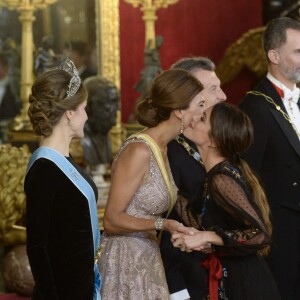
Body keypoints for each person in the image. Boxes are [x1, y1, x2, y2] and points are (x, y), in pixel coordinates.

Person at [98, 69, 204, 299]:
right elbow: (112, 219)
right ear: (179, 111)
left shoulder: (166, 148)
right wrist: (163, 224)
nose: (203, 113)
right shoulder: (139, 151)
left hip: (148, 256)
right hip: (125, 261)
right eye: (200, 105)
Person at [172, 102, 281, 300]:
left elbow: (260, 234)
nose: (195, 118)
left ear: (214, 140)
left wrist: (208, 237)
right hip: (231, 278)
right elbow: (202, 219)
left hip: (246, 285)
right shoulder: (215, 174)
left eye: (203, 118)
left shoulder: (221, 178)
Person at [24, 58, 101, 300]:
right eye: (84, 108)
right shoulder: (45, 169)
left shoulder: (62, 162)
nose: (87, 116)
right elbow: (38, 249)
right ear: (70, 112)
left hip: (80, 287)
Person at [239, 17, 300, 300]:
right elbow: (245, 177)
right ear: (274, 56)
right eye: (298, 52)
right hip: (281, 236)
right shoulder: (254, 106)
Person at [160, 57, 227, 300]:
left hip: (221, 273)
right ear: (187, 94)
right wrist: (178, 293)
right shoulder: (167, 150)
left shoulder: (219, 141)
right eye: (213, 89)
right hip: (184, 280)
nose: (223, 95)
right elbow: (161, 228)